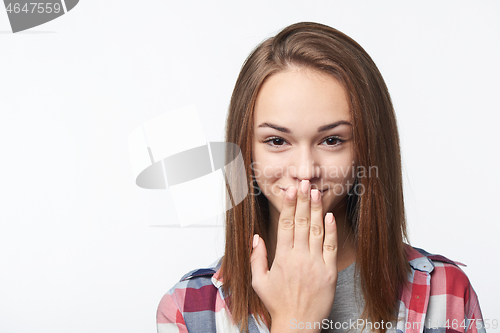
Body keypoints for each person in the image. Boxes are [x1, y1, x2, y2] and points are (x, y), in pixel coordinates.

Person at [156, 22, 485, 333]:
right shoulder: (188, 308)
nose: (304, 171)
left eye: (332, 140)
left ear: (368, 150)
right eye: (277, 141)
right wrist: (294, 319)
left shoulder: (447, 292)